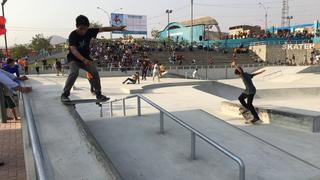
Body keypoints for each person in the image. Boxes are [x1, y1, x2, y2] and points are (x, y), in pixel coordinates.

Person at [61, 15, 125, 102]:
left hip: (86, 58)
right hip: (74, 59)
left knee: (94, 72)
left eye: (85, 29)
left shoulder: (90, 31)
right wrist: (83, 60)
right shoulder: (73, 35)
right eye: (81, 28)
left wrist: (117, 28)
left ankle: (98, 94)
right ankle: (65, 94)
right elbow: (73, 50)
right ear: (77, 26)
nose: (83, 31)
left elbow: (103, 29)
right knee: (74, 73)